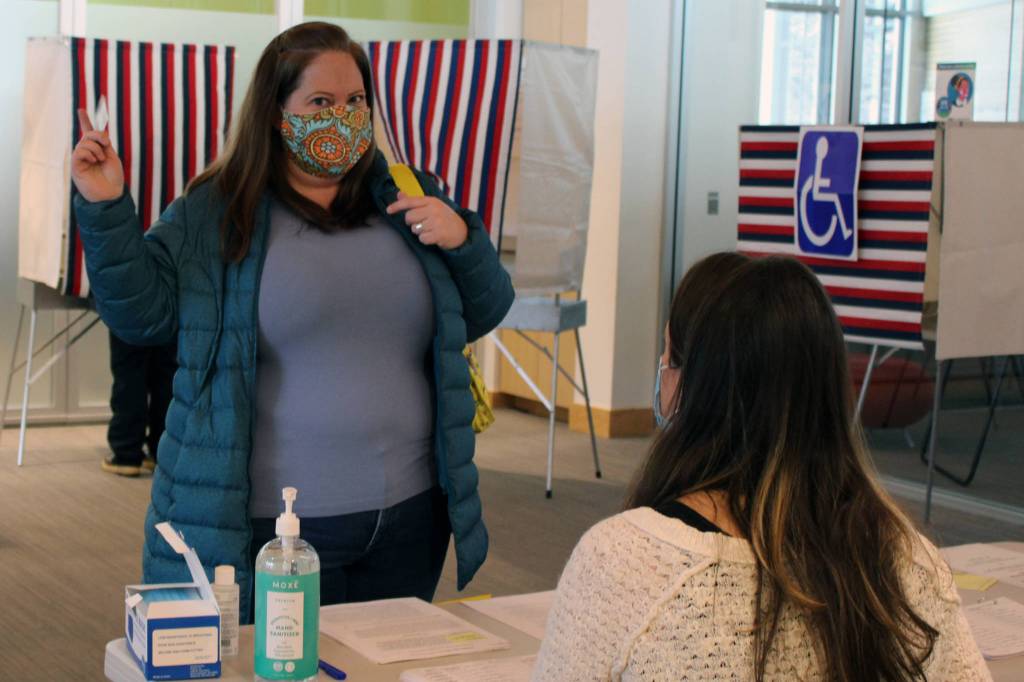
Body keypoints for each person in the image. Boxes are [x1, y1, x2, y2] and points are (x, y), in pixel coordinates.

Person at [69, 22, 513, 621]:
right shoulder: (219, 211)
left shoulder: (406, 194)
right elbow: (140, 316)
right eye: (321, 103)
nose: (342, 118)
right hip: (282, 535)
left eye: (356, 102)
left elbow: (484, 309)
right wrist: (104, 207)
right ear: (278, 114)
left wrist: (462, 240)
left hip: (412, 518)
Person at [533, 254, 990, 681]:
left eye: (669, 356)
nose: (661, 370)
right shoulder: (910, 562)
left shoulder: (622, 562)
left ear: (696, 388)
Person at [102, 331, 176, 476]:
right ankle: (161, 451)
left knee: (129, 375)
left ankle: (126, 454)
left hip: (130, 313)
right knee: (165, 376)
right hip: (168, 314)